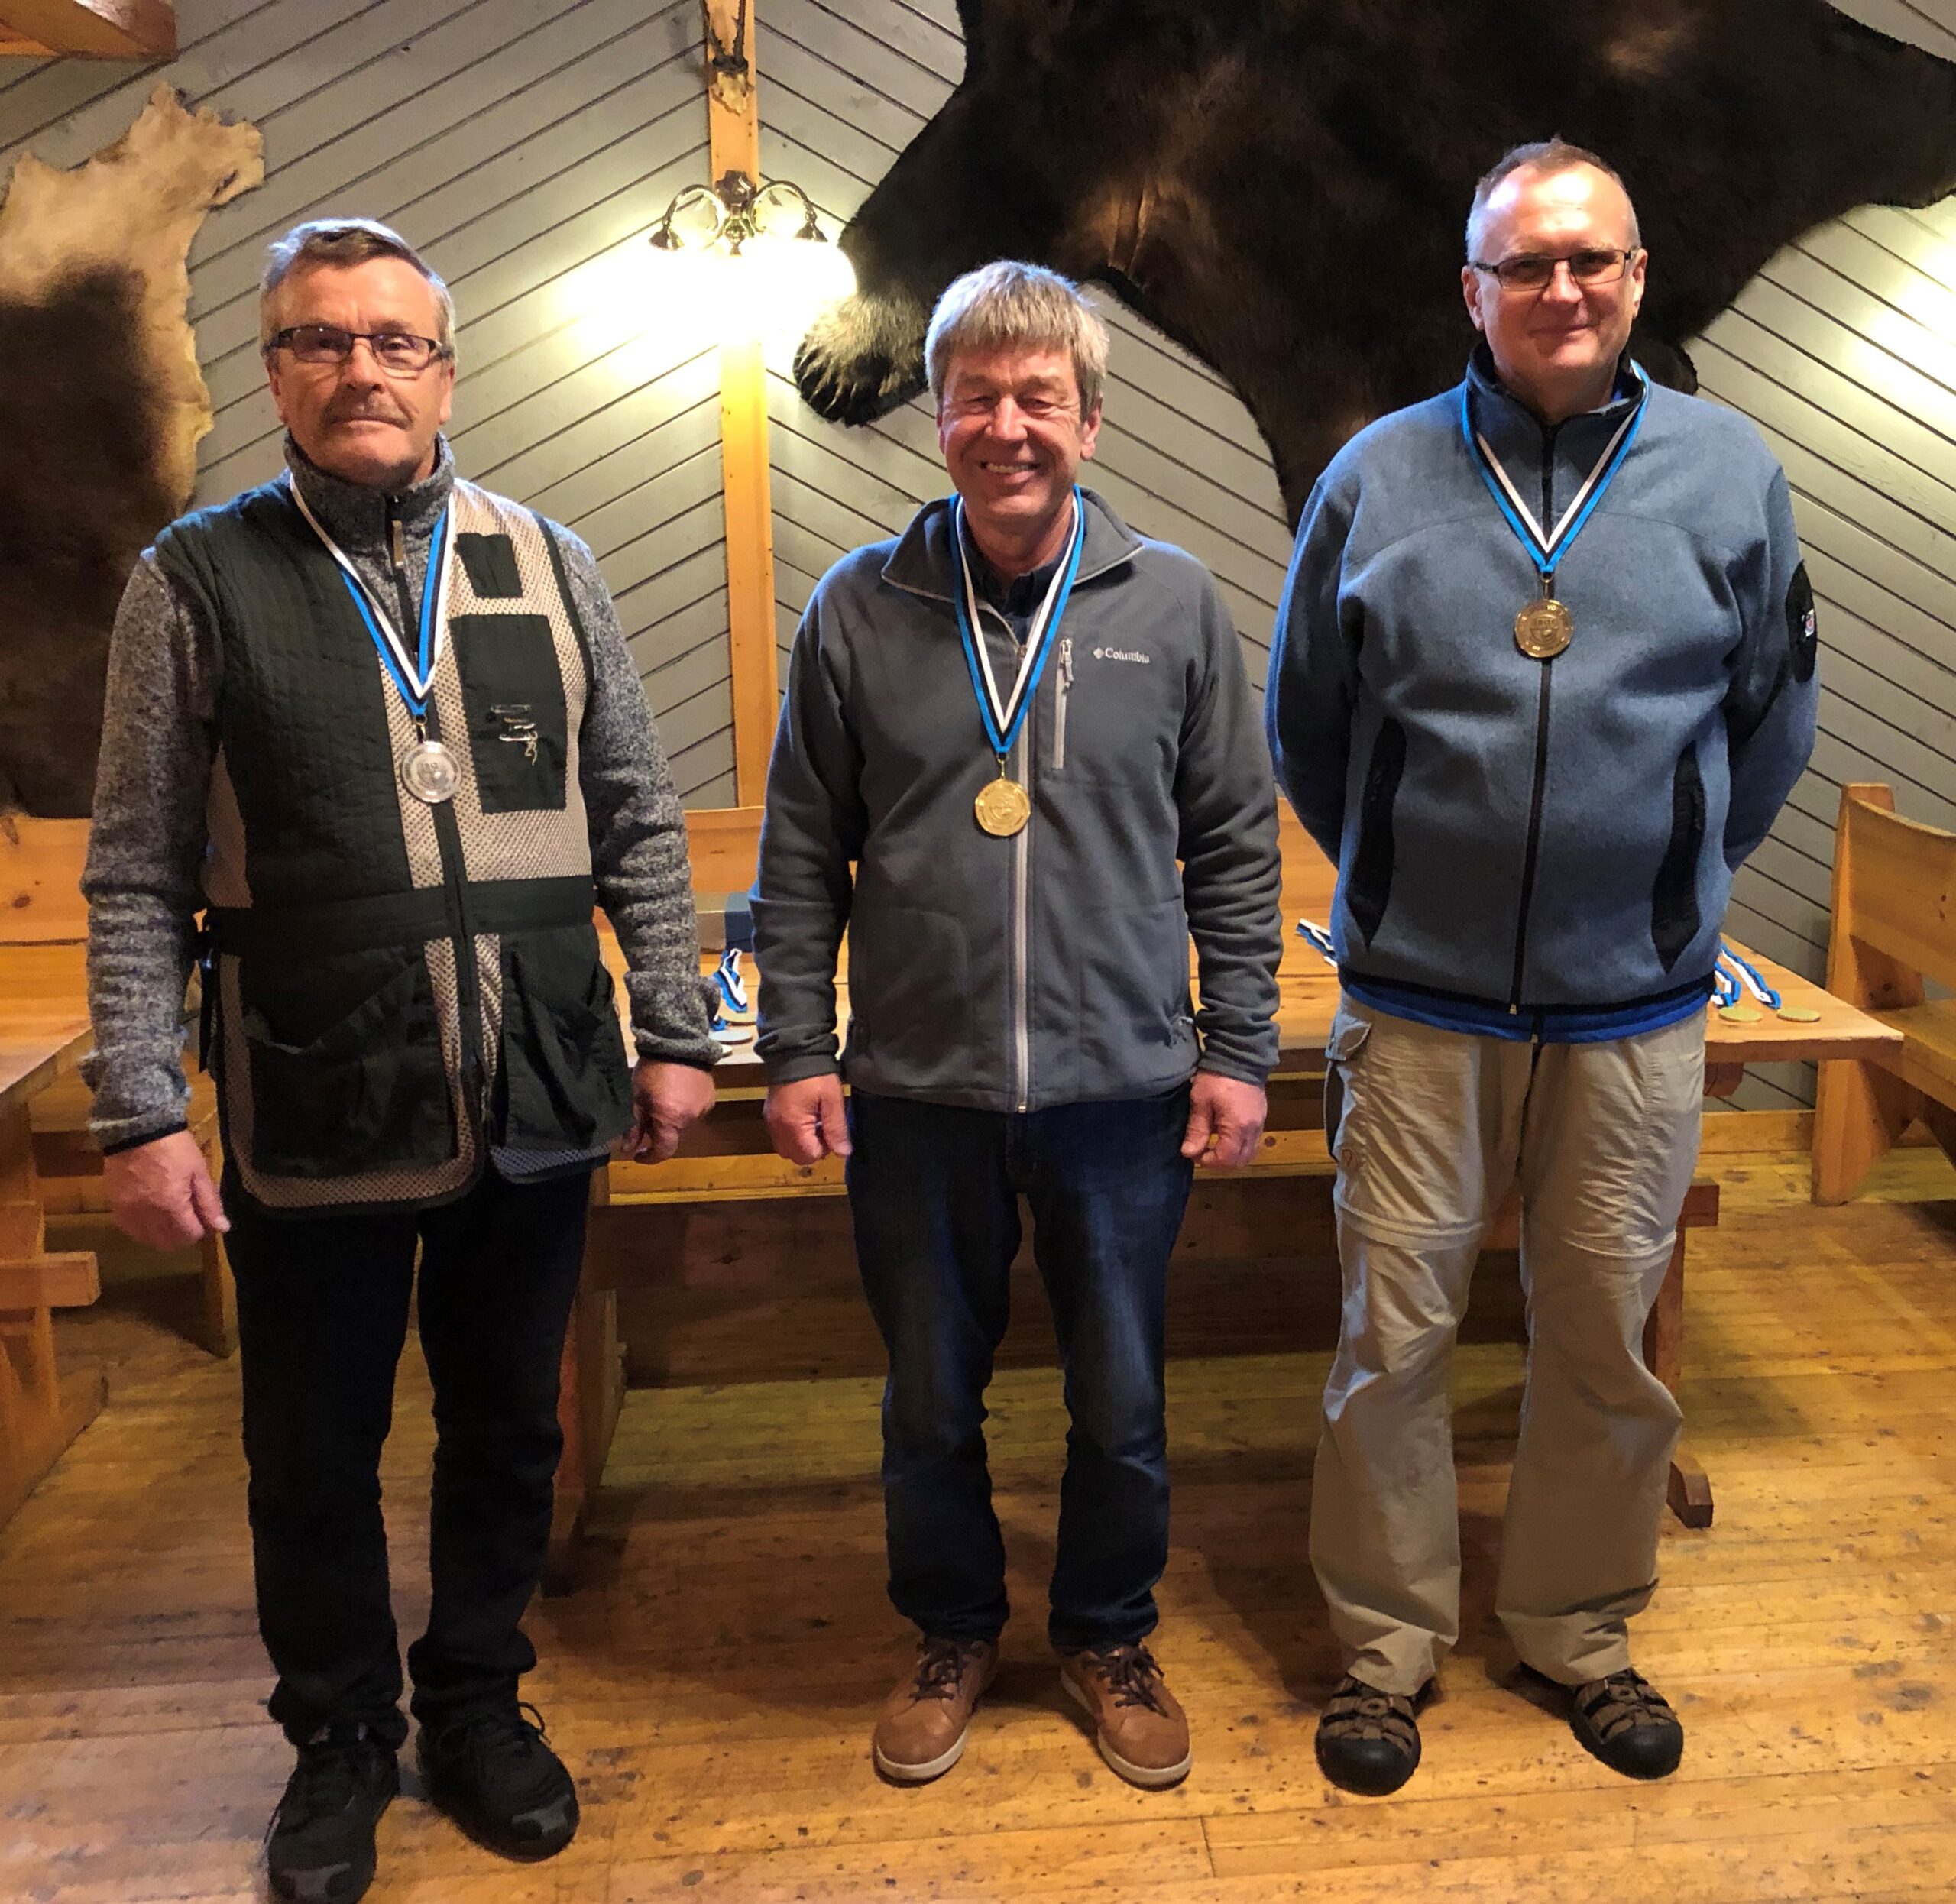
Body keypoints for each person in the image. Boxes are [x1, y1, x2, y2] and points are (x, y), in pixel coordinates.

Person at [82, 219, 718, 1902]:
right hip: (315, 1094)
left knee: (511, 1426)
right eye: (322, 340)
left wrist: (674, 1025)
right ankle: (341, 1736)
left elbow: (639, 816)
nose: (361, 369)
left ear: (447, 372)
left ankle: (477, 1698)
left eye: (394, 342)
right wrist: (139, 1106)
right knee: (313, 1452)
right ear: (274, 371)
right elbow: (136, 867)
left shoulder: (551, 560)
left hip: (539, 1086)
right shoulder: (193, 580)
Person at [1267, 141, 1818, 1796]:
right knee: (1392, 1339)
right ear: (1472, 291)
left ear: (1635, 279)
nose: (1560, 289)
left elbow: (1769, 725)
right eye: (1525, 265)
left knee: (1602, 1341)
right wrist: (1404, 878)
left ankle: (1576, 1628)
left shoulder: (1730, 473)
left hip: (1631, 1011)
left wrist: (1662, 875)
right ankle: (1386, 1647)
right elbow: (1309, 726)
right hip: (1417, 1006)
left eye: (1590, 259)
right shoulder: (1374, 476)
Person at [754, 261, 1283, 1789]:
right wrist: (796, 1048)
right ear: (935, 418)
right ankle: (953, 1626)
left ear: (1089, 422)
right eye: (973, 396)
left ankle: (1107, 1632)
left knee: (1121, 1400)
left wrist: (1238, 1048)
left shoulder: (1171, 603)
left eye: (1037, 397)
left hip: (1121, 1086)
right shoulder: (857, 606)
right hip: (918, 1088)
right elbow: (801, 849)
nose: (1005, 427)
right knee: (929, 1397)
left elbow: (1234, 845)